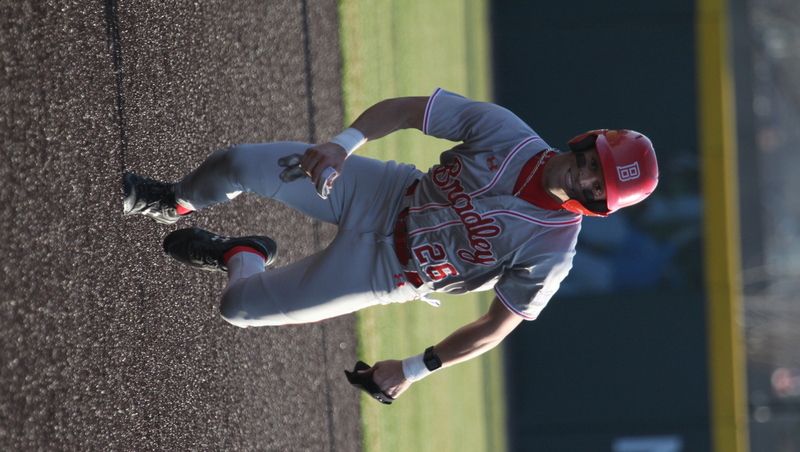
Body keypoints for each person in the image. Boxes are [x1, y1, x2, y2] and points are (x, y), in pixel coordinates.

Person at [122, 88, 658, 401]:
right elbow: (406, 110)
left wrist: (413, 367)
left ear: (603, 203)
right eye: (595, 163)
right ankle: (176, 201)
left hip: (388, 272)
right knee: (238, 163)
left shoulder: (554, 249)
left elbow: (497, 325)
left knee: (238, 308)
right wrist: (342, 145)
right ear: (587, 142)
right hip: (384, 192)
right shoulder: (509, 134)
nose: (587, 177)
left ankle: (241, 254)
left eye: (599, 185)